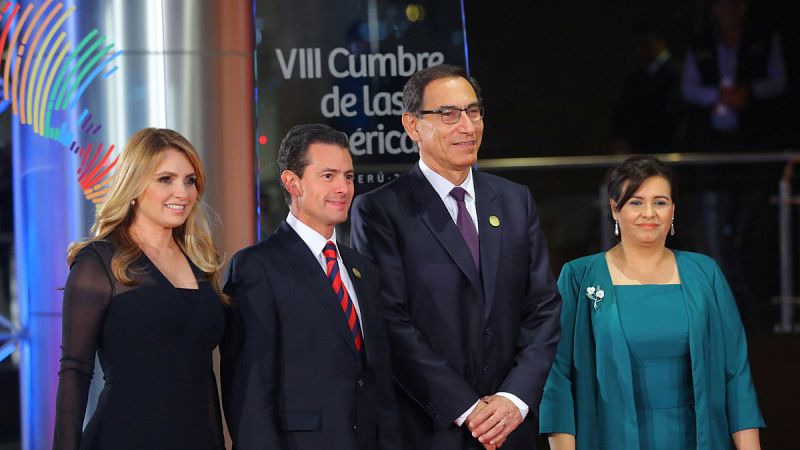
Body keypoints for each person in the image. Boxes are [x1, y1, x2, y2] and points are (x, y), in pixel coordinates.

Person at [350, 64, 562, 450]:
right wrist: (466, 407)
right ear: (413, 126)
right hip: (431, 429)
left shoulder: (515, 201)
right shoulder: (380, 211)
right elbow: (388, 320)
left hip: (511, 428)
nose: (467, 126)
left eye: (474, 111)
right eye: (448, 114)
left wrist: (514, 399)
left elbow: (544, 308)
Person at [539, 155, 764, 450]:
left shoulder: (704, 272)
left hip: (699, 438)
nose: (649, 213)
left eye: (660, 202)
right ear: (614, 208)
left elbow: (736, 373)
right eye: (635, 202)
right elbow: (557, 376)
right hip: (609, 437)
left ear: (673, 210)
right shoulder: (580, 276)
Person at [222, 124, 401, 450]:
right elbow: (249, 390)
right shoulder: (257, 267)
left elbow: (379, 380)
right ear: (293, 183)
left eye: (348, 176)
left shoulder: (362, 269)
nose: (344, 188)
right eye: (328, 176)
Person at [53, 128, 228, 450]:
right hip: (126, 436)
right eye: (166, 179)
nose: (183, 192)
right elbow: (75, 371)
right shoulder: (100, 262)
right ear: (134, 186)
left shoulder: (200, 261)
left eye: (189, 180)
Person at [682, 0, 786, 151]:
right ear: (714, 8)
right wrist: (719, 95)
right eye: (724, 4)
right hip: (709, 138)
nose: (730, 9)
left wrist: (746, 92)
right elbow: (688, 88)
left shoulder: (765, 38)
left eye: (735, 3)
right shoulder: (700, 42)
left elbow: (778, 82)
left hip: (756, 134)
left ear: (743, 6)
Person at [611, 21, 685, 154]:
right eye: (637, 45)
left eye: (645, 43)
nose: (640, 50)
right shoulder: (636, 78)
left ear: (659, 41)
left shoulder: (677, 74)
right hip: (639, 150)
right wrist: (622, 139)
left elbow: (671, 115)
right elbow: (622, 111)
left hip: (666, 149)